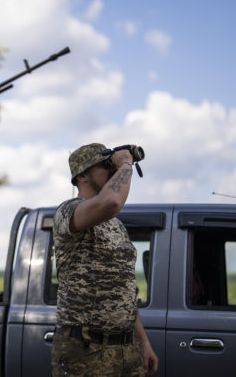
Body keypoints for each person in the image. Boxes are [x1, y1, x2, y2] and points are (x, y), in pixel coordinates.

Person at [51, 143, 158, 376]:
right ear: (82, 175)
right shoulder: (67, 212)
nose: (112, 171)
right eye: (105, 166)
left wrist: (143, 342)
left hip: (125, 349)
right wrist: (125, 163)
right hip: (85, 350)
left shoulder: (116, 225)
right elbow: (111, 202)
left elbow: (124, 293)